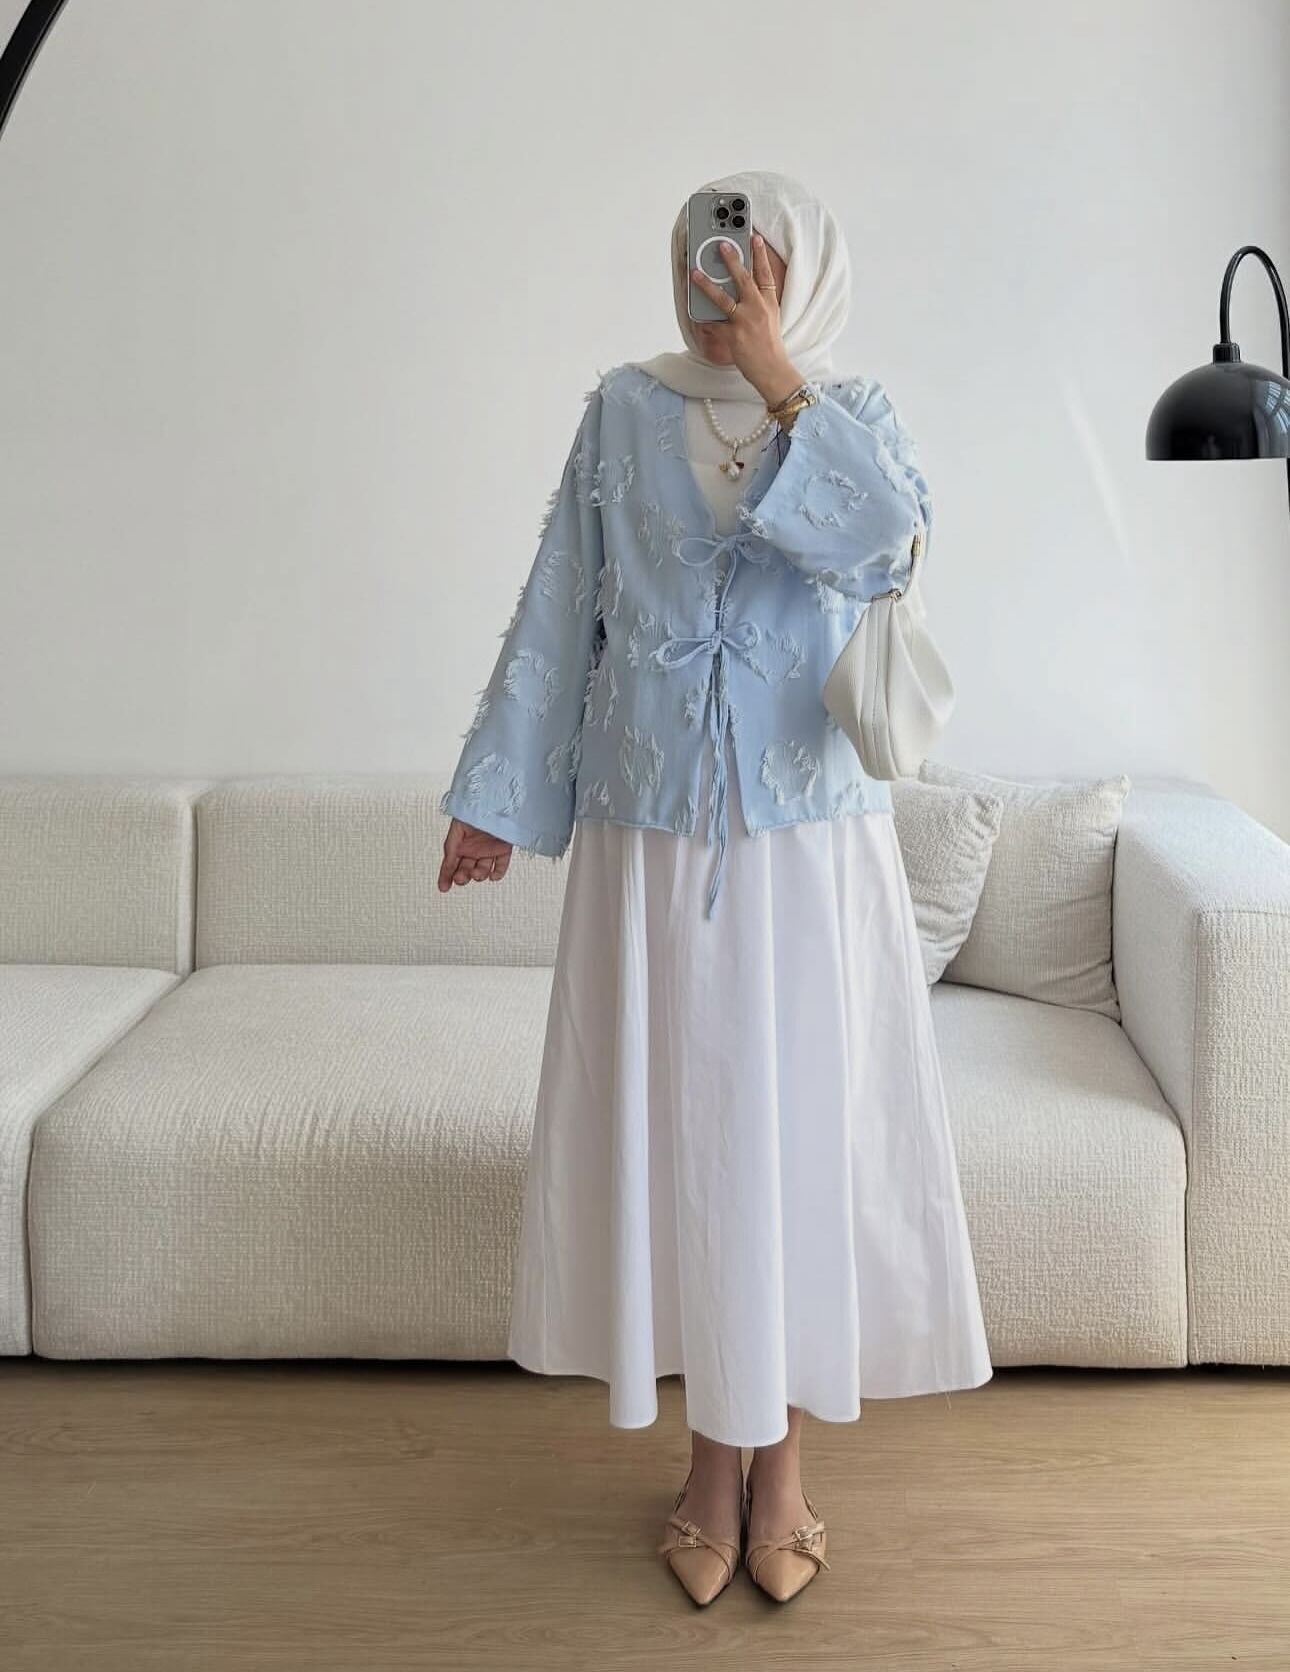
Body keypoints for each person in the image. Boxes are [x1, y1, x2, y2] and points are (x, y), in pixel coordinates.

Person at [437, 168, 992, 1606]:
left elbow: (892, 547)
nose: (718, 274)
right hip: (652, 842)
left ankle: (782, 1470)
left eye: (748, 254)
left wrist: (777, 374)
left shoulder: (853, 413)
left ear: (799, 267)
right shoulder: (620, 410)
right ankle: (706, 1465)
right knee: (683, 1145)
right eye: (702, 249)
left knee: (792, 1144)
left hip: (807, 846)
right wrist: (495, 798)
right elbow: (561, 603)